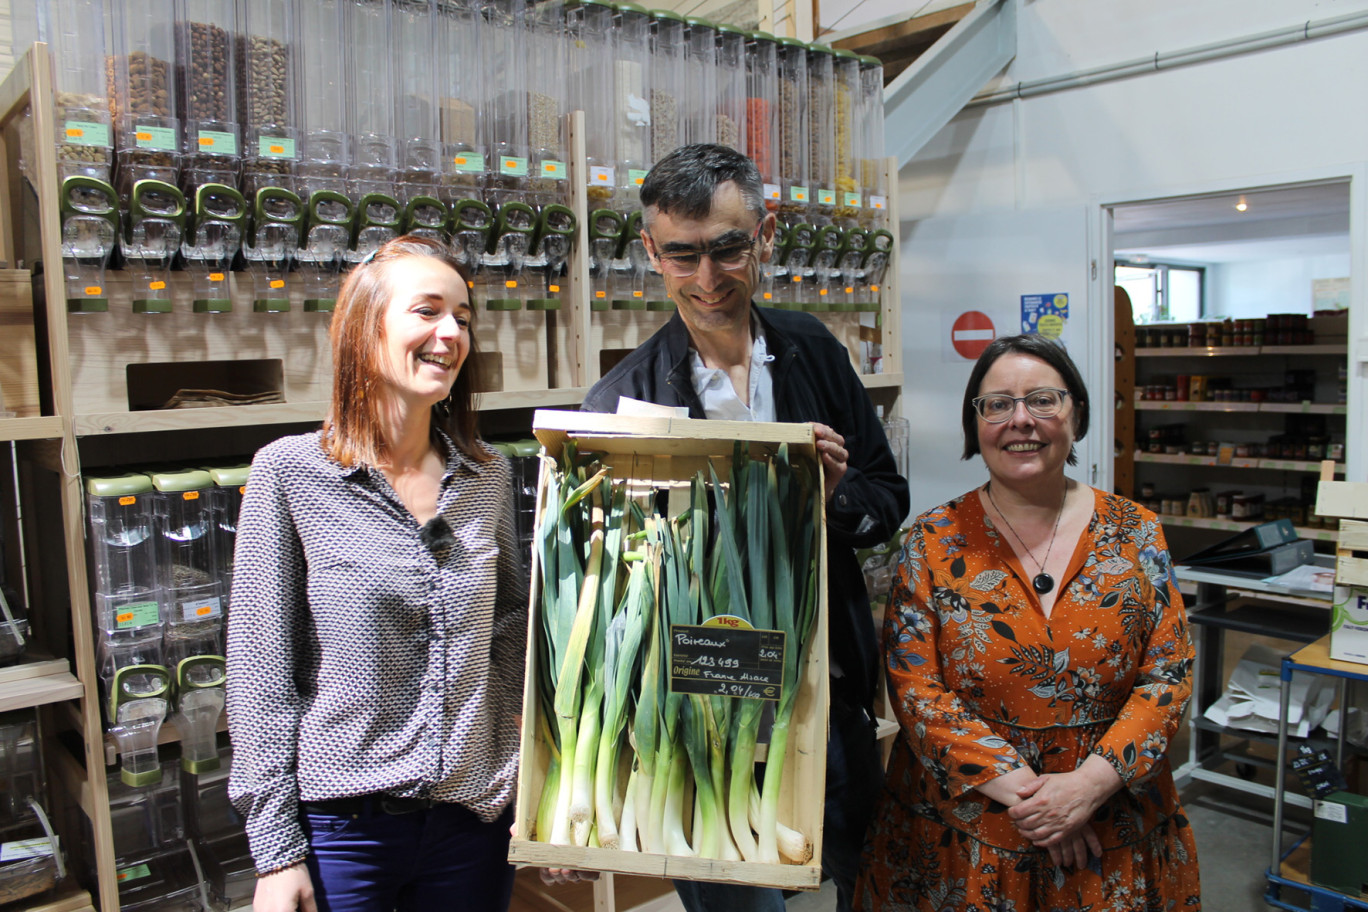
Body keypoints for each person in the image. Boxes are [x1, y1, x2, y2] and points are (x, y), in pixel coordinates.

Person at [577, 143, 911, 912]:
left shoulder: (814, 353)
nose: (707, 279)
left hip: (826, 698)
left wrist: (830, 497)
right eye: (682, 255)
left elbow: (887, 499)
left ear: (765, 234)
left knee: (866, 880)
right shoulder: (622, 403)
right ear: (650, 254)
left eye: (728, 248)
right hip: (701, 712)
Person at [226, 236, 526, 912]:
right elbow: (259, 671)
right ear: (367, 328)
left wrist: (522, 768)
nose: (450, 334)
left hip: (473, 820)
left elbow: (511, 622)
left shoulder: (487, 475)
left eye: (463, 318)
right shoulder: (290, 474)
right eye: (427, 312)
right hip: (342, 827)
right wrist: (276, 851)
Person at [855, 334, 1201, 911]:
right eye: (998, 405)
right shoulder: (933, 540)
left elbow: (1168, 675)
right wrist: (1039, 804)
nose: (1022, 421)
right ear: (977, 423)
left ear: (1078, 414)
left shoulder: (1137, 532)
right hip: (965, 837)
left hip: (1114, 829)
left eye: (1043, 400)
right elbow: (915, 688)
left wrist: (1088, 787)